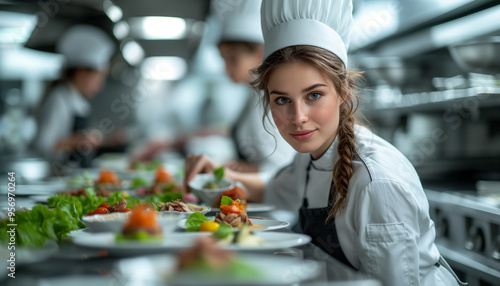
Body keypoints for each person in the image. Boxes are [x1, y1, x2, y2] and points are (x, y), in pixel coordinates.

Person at [186, 0, 467, 285]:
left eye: (314, 95)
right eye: (282, 100)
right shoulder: (310, 157)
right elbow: (274, 190)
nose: (298, 118)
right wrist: (218, 175)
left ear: (342, 91)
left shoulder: (378, 183)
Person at [150, 0, 295, 192]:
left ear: (260, 53)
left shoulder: (271, 100)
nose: (226, 68)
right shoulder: (253, 95)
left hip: (274, 209)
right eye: (224, 60)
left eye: (233, 59)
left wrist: (223, 170)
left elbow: (283, 170)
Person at [33, 24, 115, 169]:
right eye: (98, 78)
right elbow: (42, 146)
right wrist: (77, 140)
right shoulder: (59, 98)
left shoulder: (79, 101)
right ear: (82, 73)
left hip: (74, 176)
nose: (100, 86)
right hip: (57, 176)